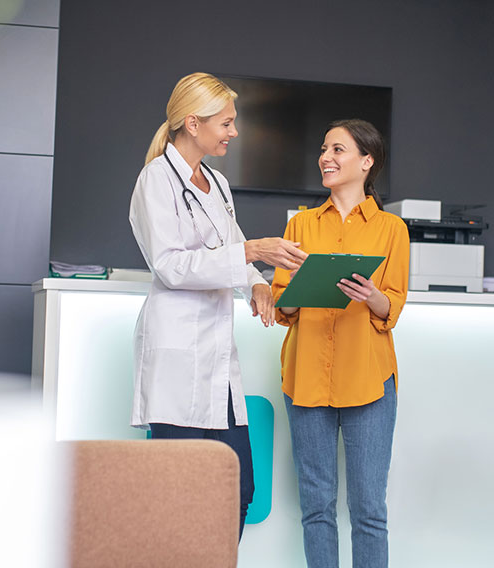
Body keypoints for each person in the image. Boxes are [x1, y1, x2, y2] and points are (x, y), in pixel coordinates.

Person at [127, 72, 308, 540]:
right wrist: (250, 255)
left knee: (238, 489)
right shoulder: (155, 181)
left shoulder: (218, 184)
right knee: (178, 496)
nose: (233, 131)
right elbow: (171, 266)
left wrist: (258, 286)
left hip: (216, 362)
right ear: (193, 123)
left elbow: (235, 248)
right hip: (176, 356)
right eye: (226, 123)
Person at [272, 119, 409, 567]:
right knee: (316, 509)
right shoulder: (300, 226)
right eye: (324, 149)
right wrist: (293, 297)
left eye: (338, 150)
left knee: (369, 510)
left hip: (369, 380)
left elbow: (394, 306)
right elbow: (280, 304)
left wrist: (373, 297)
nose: (325, 158)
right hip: (307, 376)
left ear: (367, 162)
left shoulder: (392, 229)